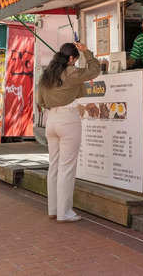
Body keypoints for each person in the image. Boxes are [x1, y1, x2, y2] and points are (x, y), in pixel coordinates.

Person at [38, 42, 100, 223]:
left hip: (51, 121)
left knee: (54, 166)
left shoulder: (47, 74)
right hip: (68, 121)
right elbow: (94, 70)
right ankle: (64, 213)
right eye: (75, 59)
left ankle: (53, 209)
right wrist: (87, 51)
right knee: (67, 168)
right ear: (72, 58)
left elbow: (40, 100)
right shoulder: (71, 72)